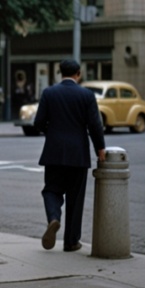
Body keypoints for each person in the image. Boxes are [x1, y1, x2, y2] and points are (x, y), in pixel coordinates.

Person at [33, 59, 105, 252]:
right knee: (75, 197)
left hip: (54, 152)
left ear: (59, 72)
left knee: (51, 190)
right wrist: (100, 149)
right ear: (78, 74)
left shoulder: (49, 93)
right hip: (78, 153)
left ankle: (54, 218)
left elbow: (38, 122)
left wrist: (52, 131)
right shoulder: (86, 95)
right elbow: (94, 125)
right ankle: (71, 242)